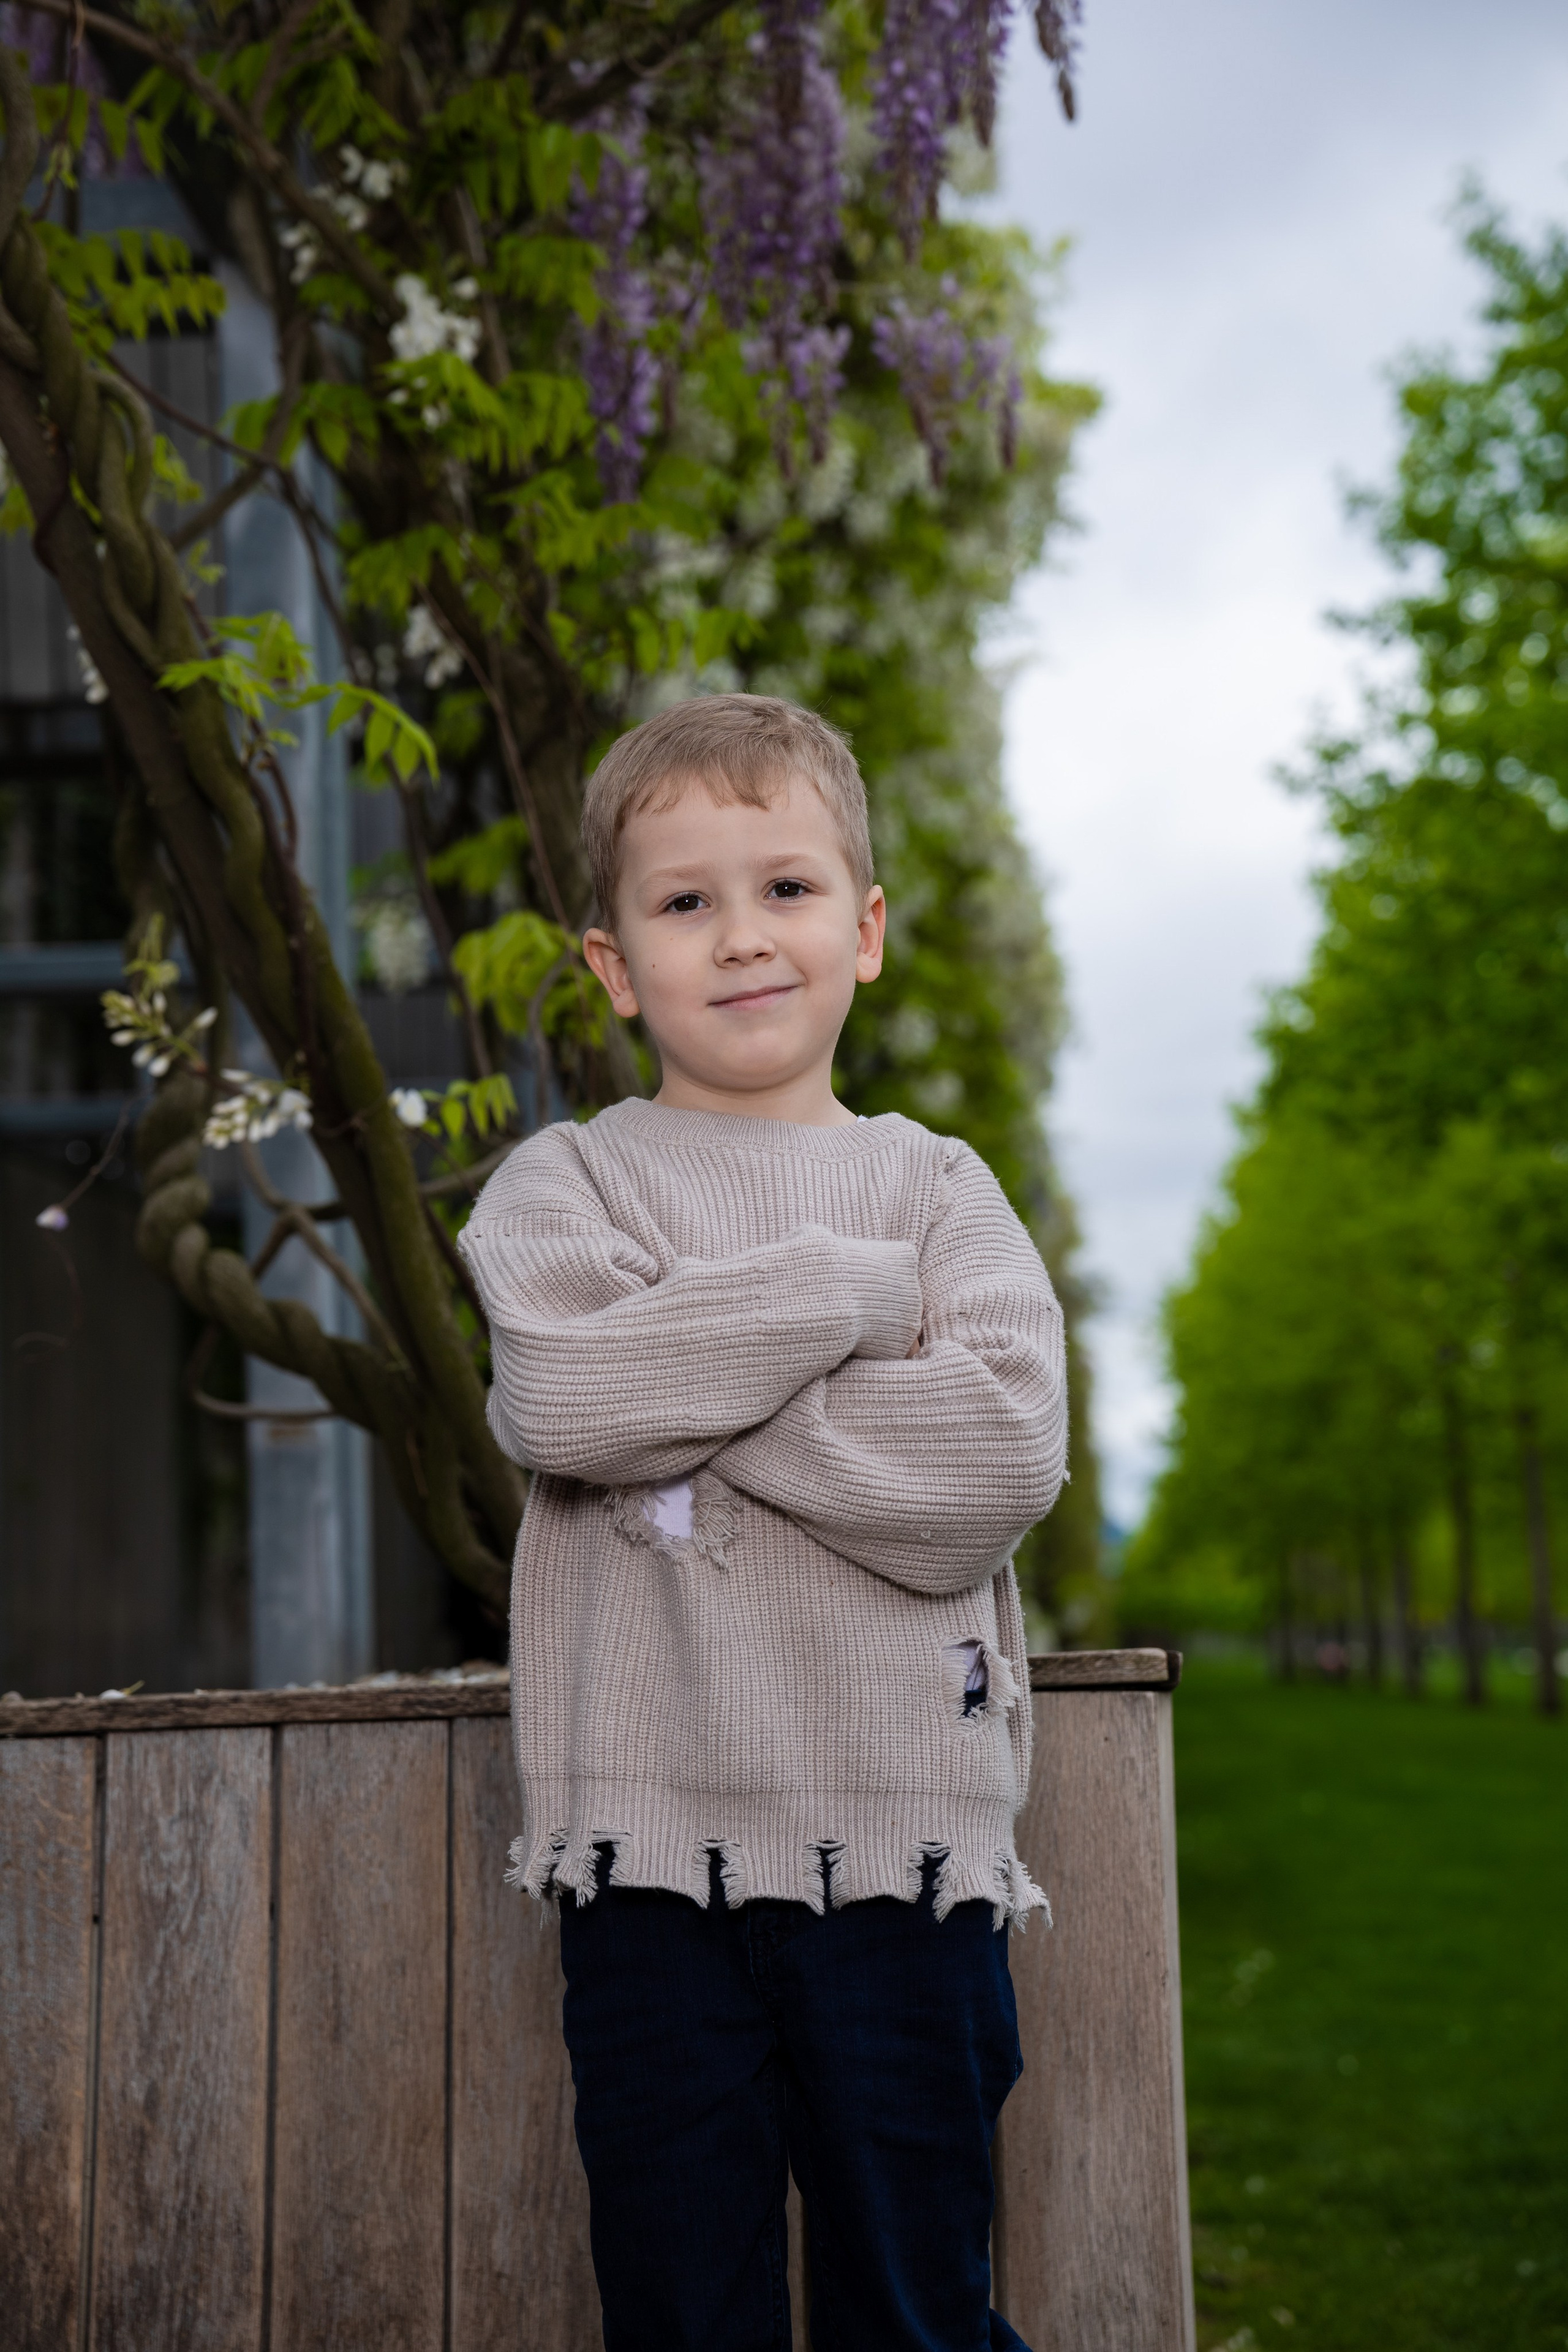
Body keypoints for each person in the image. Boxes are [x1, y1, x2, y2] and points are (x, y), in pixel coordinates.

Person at [458, 693, 1068, 2352]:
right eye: (684, 902)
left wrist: (690, 1374)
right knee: (683, 2310)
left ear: (865, 932)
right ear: (610, 964)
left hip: (908, 1859)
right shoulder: (566, 1187)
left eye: (787, 889)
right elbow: (567, 1408)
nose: (742, 937)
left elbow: (991, 1466)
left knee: (915, 2310)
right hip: (649, 1869)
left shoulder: (939, 1191)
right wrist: (838, 1301)